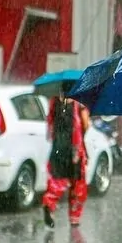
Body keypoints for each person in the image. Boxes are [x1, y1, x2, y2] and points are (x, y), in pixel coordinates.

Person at [42, 83, 90, 228]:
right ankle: (74, 218)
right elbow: (85, 125)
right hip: (74, 149)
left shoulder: (54, 102)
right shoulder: (79, 104)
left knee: (57, 181)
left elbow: (50, 125)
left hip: (58, 148)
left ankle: (49, 204)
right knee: (77, 185)